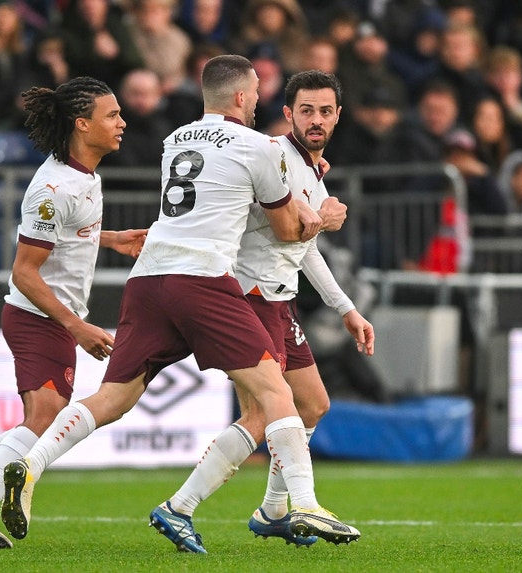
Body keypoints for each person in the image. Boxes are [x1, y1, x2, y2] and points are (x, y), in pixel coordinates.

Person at [0, 54, 361, 554]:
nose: (257, 100)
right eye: (255, 92)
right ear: (241, 97)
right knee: (277, 396)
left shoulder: (177, 139)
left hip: (148, 276)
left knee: (113, 399)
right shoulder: (260, 147)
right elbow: (286, 231)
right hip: (204, 279)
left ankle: (32, 463)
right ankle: (300, 505)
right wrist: (322, 217)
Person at [0, 76, 147, 549]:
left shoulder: (82, 176)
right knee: (44, 415)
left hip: (50, 318)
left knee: (38, 417)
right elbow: (25, 271)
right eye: (112, 115)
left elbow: (64, 234)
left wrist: (110, 238)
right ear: (82, 124)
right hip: (37, 317)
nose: (122, 123)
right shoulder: (53, 187)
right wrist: (76, 325)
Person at [158, 69, 374, 548]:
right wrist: (322, 219)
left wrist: (345, 309)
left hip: (279, 298)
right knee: (260, 416)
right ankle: (180, 507)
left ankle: (274, 510)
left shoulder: (311, 168)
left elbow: (305, 249)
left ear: (338, 116)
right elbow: (281, 230)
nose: (315, 120)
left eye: (324, 111)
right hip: (248, 295)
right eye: (306, 110)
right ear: (288, 114)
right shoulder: (274, 155)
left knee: (314, 403)